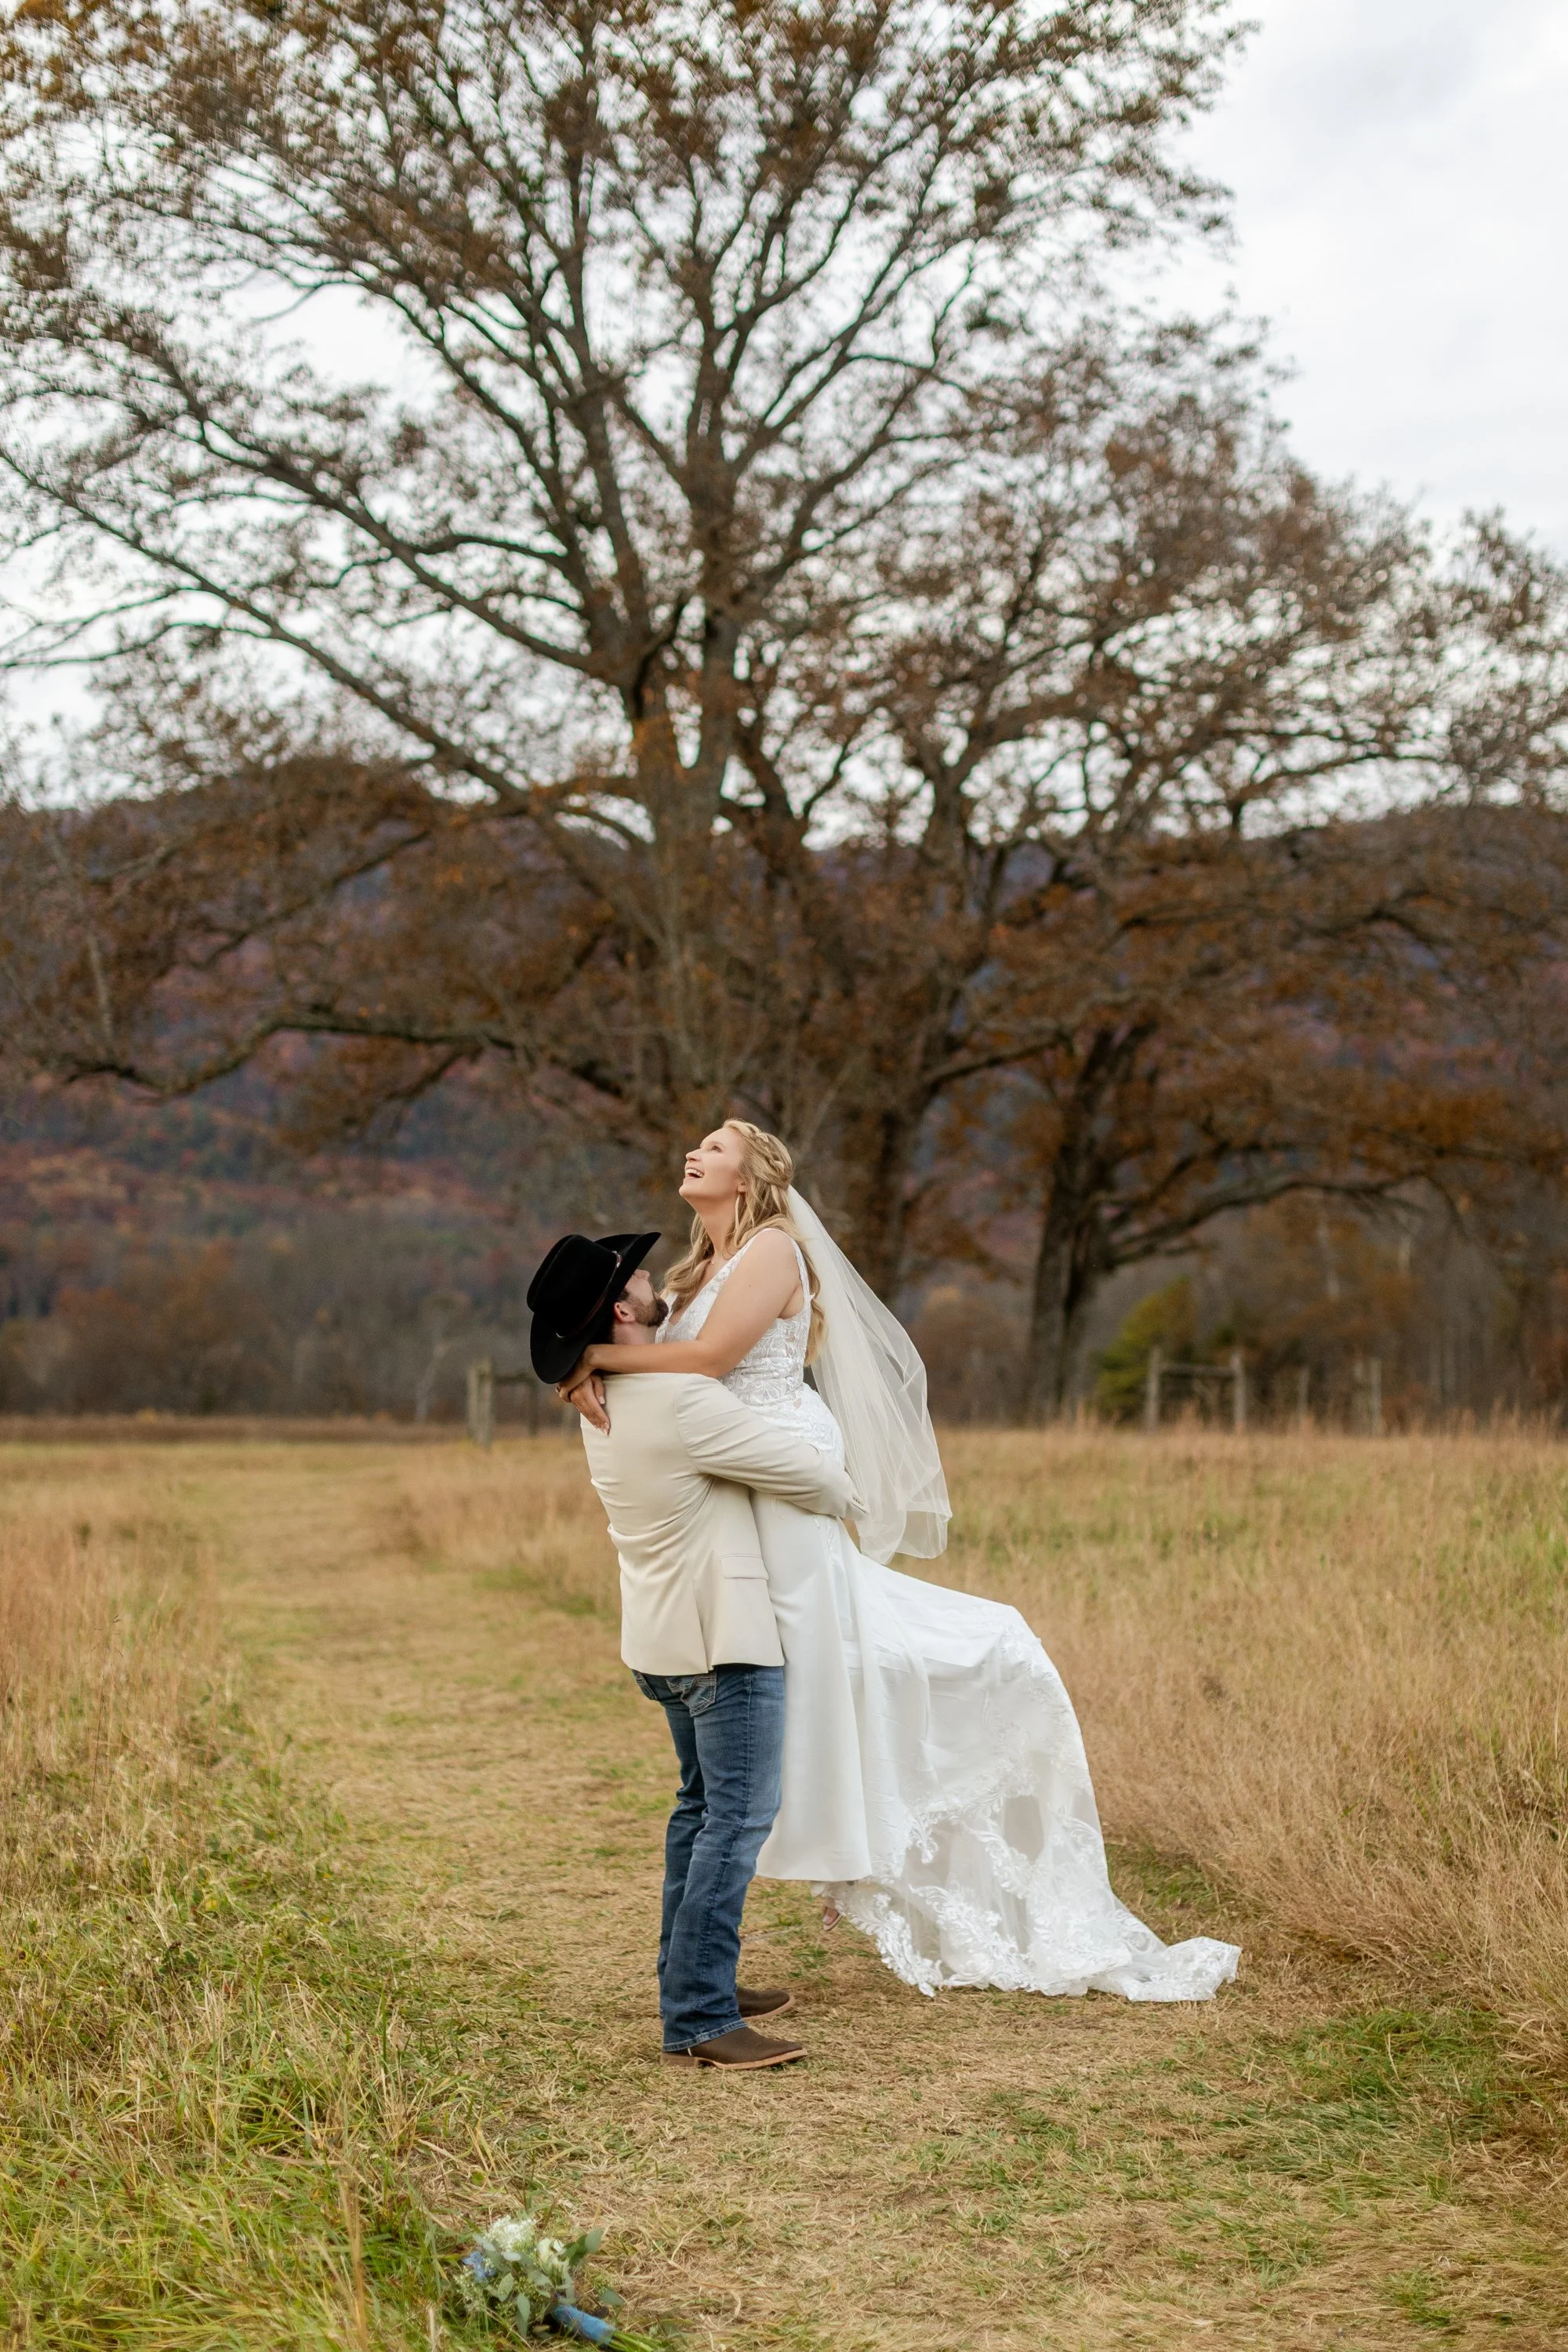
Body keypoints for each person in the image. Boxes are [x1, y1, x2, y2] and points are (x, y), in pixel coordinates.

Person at [558, 1125, 1240, 2004]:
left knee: (816, 1663)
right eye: (694, 1143)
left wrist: (587, 1354)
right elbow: (673, 1370)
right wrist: (595, 1359)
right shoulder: (694, 1269)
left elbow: (711, 1362)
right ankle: (723, 1942)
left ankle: (865, 1824)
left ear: (753, 1173)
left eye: (714, 1145)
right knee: (757, 1692)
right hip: (732, 1470)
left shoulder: (772, 1249)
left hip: (777, 1465)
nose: (693, 1152)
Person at [525, 1227, 859, 2069]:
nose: (647, 1277)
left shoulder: (596, 1397)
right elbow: (816, 1482)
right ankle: (702, 2018)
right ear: (622, 1311)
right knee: (734, 1822)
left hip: (659, 1642)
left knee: (697, 1811)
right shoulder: (681, 1402)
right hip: (725, 1646)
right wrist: (840, 1478)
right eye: (632, 1277)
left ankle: (691, 1978)